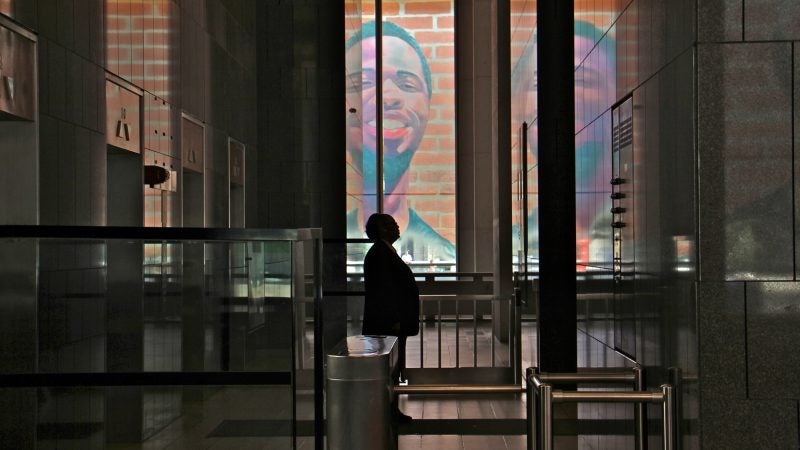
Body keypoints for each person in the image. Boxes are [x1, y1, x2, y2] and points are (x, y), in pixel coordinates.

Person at [345, 21, 456, 265]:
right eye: (363, 82)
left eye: (407, 84)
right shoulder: (332, 250)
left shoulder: (444, 256)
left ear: (428, 104)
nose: (389, 97)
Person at [512, 20, 616, 267]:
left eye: (581, 81)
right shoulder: (520, 239)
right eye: (538, 85)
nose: (553, 99)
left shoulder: (630, 227)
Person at [362, 213, 420, 423]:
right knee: (389, 368)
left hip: (391, 323)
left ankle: (389, 410)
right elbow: (383, 292)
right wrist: (394, 319)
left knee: (392, 368)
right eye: (391, 224)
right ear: (382, 229)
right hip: (388, 325)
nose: (397, 226)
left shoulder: (382, 252)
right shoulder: (380, 254)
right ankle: (387, 412)